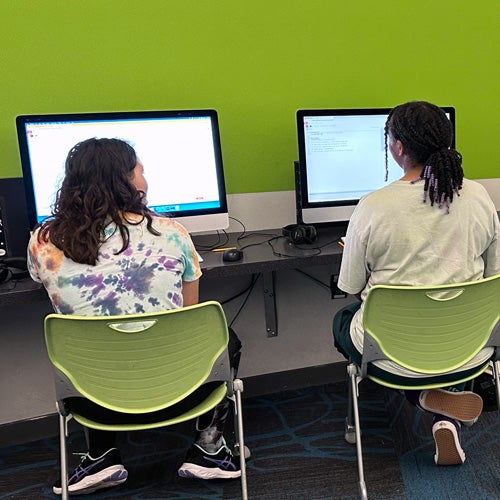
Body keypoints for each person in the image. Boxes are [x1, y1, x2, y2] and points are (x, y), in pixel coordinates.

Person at [27, 138, 242, 495]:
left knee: (93, 344)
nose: (145, 179)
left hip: (92, 399)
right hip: (179, 392)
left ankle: (100, 455)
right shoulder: (172, 233)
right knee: (223, 338)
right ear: (126, 181)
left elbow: (42, 282)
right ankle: (209, 449)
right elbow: (189, 318)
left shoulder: (43, 242)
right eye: (140, 171)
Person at [333, 101, 500, 465]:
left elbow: (350, 285)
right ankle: (443, 415)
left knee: (343, 319)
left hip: (395, 353)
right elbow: (493, 274)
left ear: (399, 147)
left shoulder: (373, 206)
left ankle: (421, 396)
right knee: (439, 323)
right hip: (468, 344)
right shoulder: (479, 197)